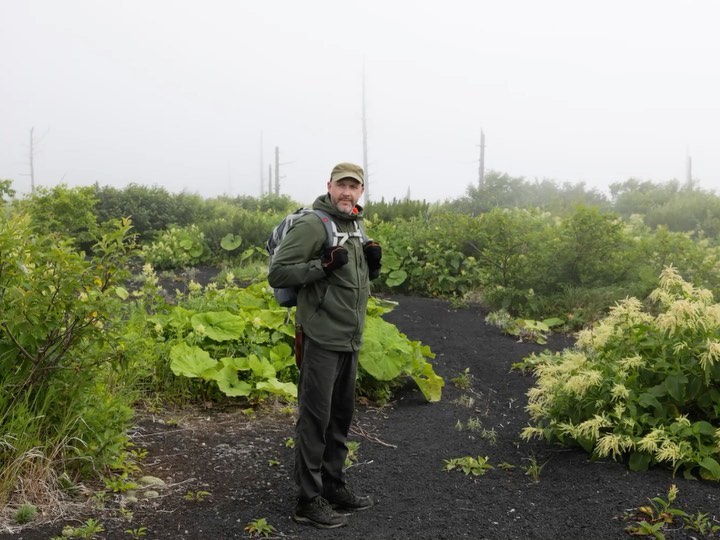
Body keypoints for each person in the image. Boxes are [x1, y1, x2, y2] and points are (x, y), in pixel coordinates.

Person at [268, 162, 382, 529]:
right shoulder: (313, 224)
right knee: (315, 421)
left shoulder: (354, 225)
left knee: (340, 418)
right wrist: (322, 266)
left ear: (361, 191)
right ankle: (308, 500)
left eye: (354, 187)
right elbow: (280, 272)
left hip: (349, 338)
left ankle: (333, 486)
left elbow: (353, 278)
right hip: (320, 337)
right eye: (342, 186)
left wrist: (372, 267)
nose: (348, 193)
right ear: (329, 186)